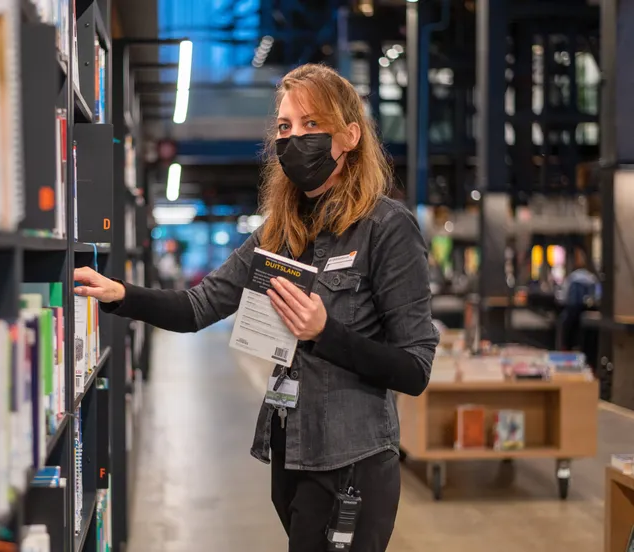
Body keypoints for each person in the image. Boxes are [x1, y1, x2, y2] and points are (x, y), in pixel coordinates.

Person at [73, 63, 438, 552]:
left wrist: (324, 332)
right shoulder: (279, 234)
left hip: (350, 463)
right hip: (289, 452)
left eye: (312, 125)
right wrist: (120, 294)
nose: (294, 138)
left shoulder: (387, 228)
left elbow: (415, 368)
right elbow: (196, 307)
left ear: (349, 136)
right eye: (285, 127)